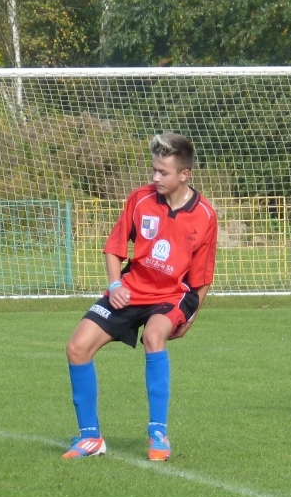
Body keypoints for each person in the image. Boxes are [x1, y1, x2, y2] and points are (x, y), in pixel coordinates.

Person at [63, 132, 218, 462]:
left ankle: (158, 433)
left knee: (153, 336)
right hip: (131, 289)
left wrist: (190, 318)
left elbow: (202, 278)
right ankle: (90, 437)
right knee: (76, 347)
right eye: (153, 170)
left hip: (173, 295)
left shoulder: (205, 215)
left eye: (163, 172)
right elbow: (114, 248)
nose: (155, 178)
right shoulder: (140, 199)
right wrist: (114, 285)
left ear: (184, 175)